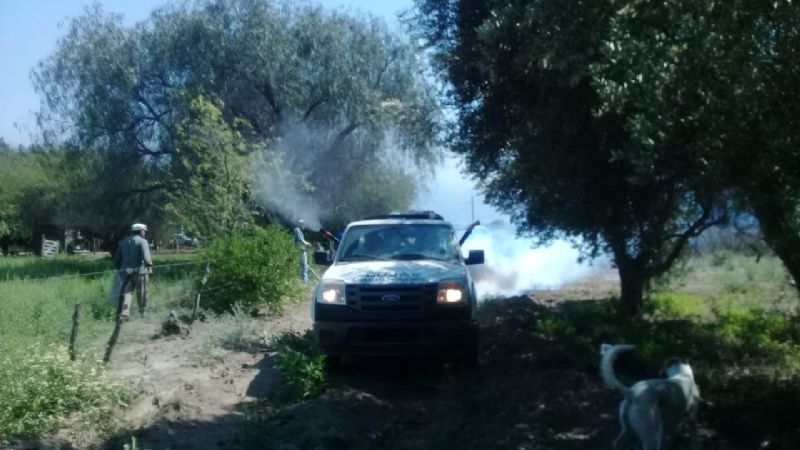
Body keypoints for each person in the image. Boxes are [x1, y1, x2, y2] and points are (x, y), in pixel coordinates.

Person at [113, 223, 153, 320]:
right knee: (142, 293)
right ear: (140, 231)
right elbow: (146, 256)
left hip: (126, 272)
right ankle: (142, 313)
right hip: (140, 272)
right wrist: (150, 267)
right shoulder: (142, 241)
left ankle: (125, 313)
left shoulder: (124, 242)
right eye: (144, 231)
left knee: (127, 293)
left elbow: (116, 258)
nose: (144, 232)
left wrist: (120, 269)